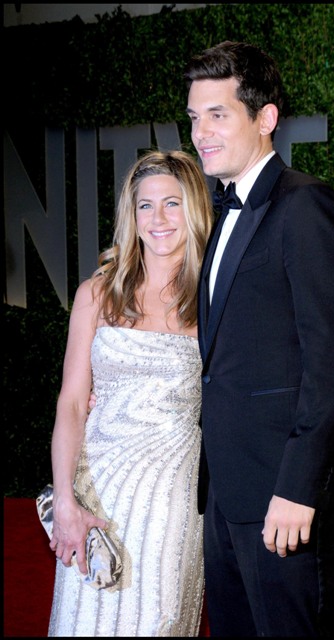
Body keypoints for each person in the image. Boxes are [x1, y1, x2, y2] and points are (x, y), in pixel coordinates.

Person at [183, 41, 334, 637]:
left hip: (282, 498)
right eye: (195, 117)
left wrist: (297, 489)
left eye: (218, 114)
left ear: (265, 118)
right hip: (226, 491)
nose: (201, 133)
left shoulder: (306, 205)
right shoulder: (222, 213)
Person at [46, 150, 213, 637]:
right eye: (145, 205)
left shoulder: (214, 301)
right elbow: (71, 404)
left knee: (158, 620)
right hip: (98, 488)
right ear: (131, 215)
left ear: (194, 210)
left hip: (172, 498)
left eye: (172, 203)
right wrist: (64, 501)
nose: (158, 219)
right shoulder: (97, 295)